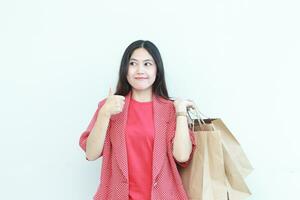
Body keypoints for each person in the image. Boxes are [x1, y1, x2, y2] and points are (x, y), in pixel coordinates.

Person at [79, 40, 197, 200]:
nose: (140, 70)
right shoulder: (110, 107)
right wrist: (105, 113)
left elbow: (182, 156)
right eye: (133, 63)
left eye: (147, 64)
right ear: (125, 70)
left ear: (157, 70)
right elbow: (91, 154)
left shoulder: (170, 110)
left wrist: (181, 111)